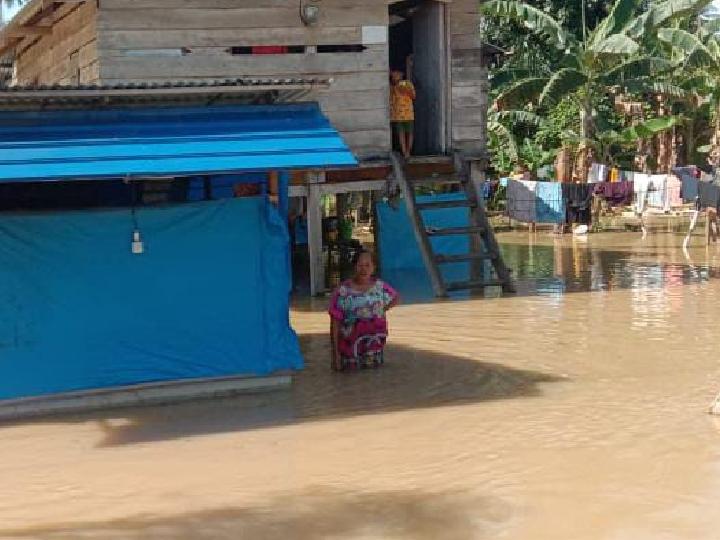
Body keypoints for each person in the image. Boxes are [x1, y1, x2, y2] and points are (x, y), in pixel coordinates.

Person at [328, 251, 399, 371]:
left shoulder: (380, 288)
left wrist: (381, 310)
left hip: (374, 351)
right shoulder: (343, 292)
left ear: (373, 267)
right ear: (354, 266)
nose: (364, 269)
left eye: (368, 265)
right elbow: (335, 324)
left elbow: (396, 297)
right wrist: (336, 356)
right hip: (350, 353)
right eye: (360, 265)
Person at [390, 69, 416, 159]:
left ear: (401, 74)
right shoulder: (391, 86)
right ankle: (404, 151)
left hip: (408, 113)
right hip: (397, 114)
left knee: (409, 132)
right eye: (393, 73)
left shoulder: (406, 83)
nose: (394, 75)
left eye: (397, 73)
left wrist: (404, 88)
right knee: (401, 133)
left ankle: (408, 151)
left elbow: (413, 96)